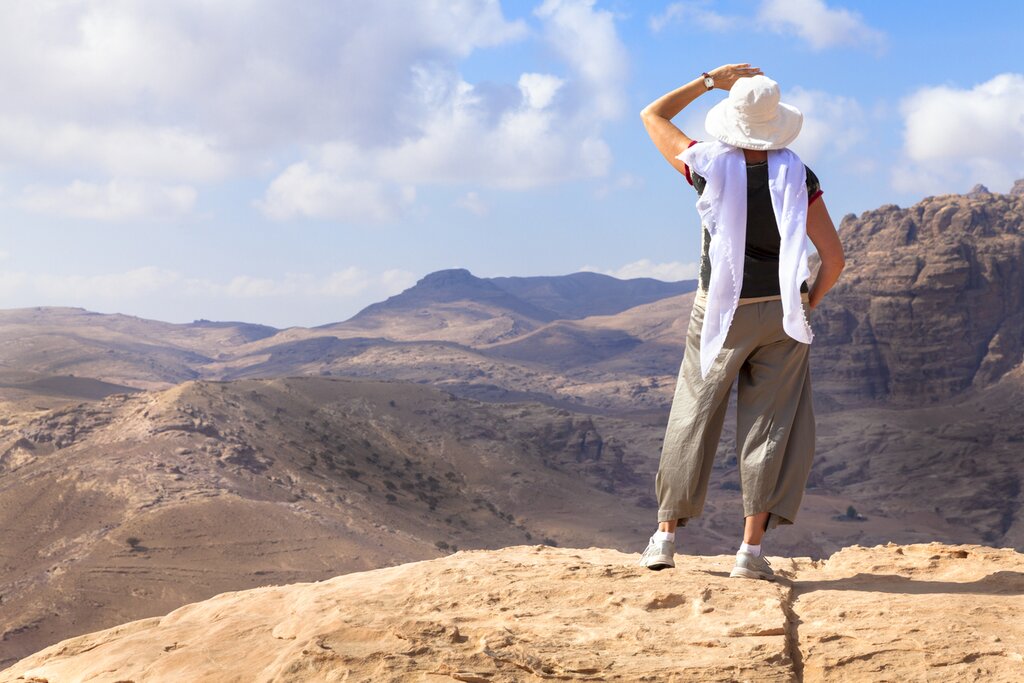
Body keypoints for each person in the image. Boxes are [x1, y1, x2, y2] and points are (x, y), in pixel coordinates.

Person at [636, 64, 845, 580]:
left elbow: (652, 115)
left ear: (731, 121)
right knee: (770, 426)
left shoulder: (706, 165)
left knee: (693, 414)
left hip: (721, 311)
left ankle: (664, 539)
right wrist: (806, 304)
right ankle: (749, 553)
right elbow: (833, 259)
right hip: (783, 313)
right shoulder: (799, 175)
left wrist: (709, 80)